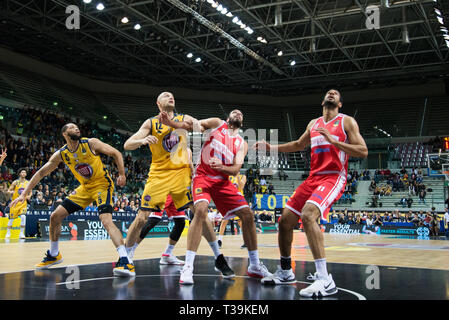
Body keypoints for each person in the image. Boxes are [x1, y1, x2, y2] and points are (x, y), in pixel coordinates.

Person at [254, 89, 368, 298]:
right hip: (312, 178)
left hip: (333, 176)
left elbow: (363, 150)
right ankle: (286, 271)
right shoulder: (313, 124)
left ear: (340, 104)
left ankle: (325, 279)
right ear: (322, 100)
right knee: (285, 221)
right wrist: (272, 147)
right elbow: (299, 144)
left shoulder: (346, 122)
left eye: (336, 94)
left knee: (307, 216)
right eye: (329, 92)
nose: (332, 93)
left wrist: (334, 141)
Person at [123, 92, 233, 277]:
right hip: (159, 175)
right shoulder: (151, 123)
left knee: (200, 212)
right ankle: (126, 257)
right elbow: (127, 144)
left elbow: (197, 124)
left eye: (172, 95)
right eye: (166, 96)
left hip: (181, 175)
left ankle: (218, 257)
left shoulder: (184, 118)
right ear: (159, 104)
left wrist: (198, 126)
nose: (170, 97)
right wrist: (141, 140)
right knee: (142, 216)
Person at [160, 108, 272, 284]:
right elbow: (193, 124)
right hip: (203, 177)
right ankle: (188, 267)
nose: (238, 113)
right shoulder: (217, 123)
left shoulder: (241, 143)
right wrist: (173, 124)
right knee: (201, 210)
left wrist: (222, 167)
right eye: (235, 112)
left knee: (248, 215)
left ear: (242, 122)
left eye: (241, 114)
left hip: (222, 181)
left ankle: (255, 265)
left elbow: (235, 169)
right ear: (228, 117)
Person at [10, 123, 133, 276]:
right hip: (85, 188)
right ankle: (54, 254)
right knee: (55, 216)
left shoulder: (90, 143)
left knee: (105, 219)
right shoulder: (62, 154)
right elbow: (41, 172)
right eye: (72, 128)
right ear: (65, 134)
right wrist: (24, 194)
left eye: (77, 127)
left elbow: (116, 153)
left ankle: (125, 260)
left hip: (102, 185)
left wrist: (122, 174)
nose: (77, 129)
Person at [217, 172, 247, 248]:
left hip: (238, 200)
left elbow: (241, 187)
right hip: (228, 199)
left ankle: (246, 241)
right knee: (224, 220)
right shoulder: (228, 176)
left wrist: (237, 177)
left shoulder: (243, 176)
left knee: (240, 222)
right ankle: (219, 241)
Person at [6, 168, 31, 239]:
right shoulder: (15, 182)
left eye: (24, 172)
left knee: (23, 217)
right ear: (19, 173)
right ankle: (8, 233)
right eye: (22, 172)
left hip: (23, 203)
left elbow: (30, 192)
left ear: (26, 174)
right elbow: (8, 190)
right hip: (15, 202)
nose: (23, 173)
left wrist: (28, 196)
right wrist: (11, 192)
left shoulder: (28, 183)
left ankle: (21, 233)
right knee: (11, 219)